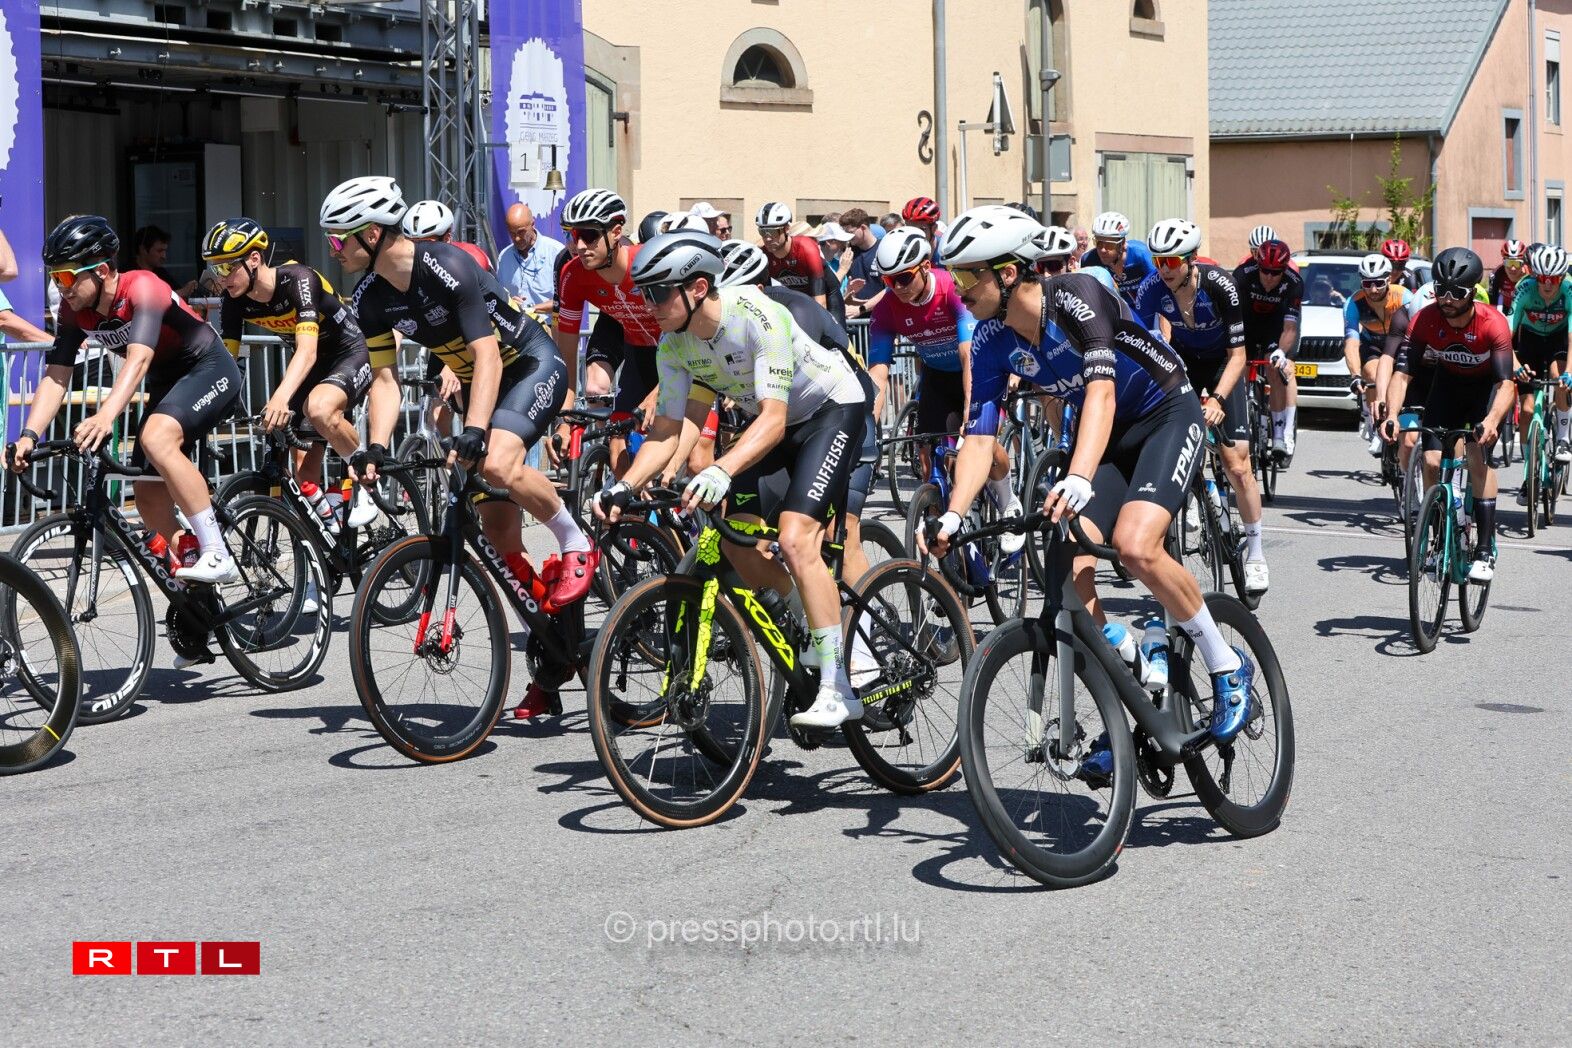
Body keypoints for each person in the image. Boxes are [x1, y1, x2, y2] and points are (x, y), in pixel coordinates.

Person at [928, 204, 1256, 762]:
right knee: (1069, 569)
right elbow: (980, 438)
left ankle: (1227, 664)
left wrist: (1079, 477)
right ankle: (1132, 680)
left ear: (1007, 273)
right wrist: (956, 514)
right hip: (1108, 434)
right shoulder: (989, 340)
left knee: (1134, 545)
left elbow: (1101, 391)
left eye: (967, 277)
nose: (958, 291)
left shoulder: (1076, 295)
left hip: (1165, 411)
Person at [596, 231, 870, 729]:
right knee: (737, 541)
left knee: (796, 538)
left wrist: (722, 468)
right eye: (643, 293)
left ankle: (839, 688)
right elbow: (668, 429)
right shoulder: (675, 344)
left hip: (830, 409)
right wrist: (625, 486)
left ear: (697, 288)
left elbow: (772, 418)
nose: (648, 305)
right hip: (777, 426)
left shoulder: (755, 315)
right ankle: (812, 624)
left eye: (657, 293)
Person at [321, 176, 594, 638]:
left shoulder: (446, 264)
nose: (333, 251)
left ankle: (575, 540)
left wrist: (475, 429)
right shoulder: (369, 297)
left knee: (498, 463)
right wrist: (376, 446)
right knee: (497, 529)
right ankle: (551, 636)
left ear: (372, 234)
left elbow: (487, 355)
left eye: (338, 240)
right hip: (481, 383)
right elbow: (385, 380)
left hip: (528, 363)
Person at [14, 215, 243, 585]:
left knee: (156, 438)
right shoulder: (73, 310)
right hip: (168, 382)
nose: (61, 288)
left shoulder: (143, 287)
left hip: (209, 369)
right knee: (148, 494)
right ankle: (194, 581)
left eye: (67, 277)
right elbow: (56, 375)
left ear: (102, 270)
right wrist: (29, 435)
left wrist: (105, 416)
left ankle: (217, 552)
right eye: (54, 278)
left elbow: (139, 359)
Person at [201, 217, 378, 534]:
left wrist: (280, 397)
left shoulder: (298, 279)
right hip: (311, 369)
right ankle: (331, 537)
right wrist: (208, 406)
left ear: (254, 259)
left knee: (319, 408)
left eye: (227, 267)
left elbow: (307, 350)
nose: (221, 278)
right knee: (302, 473)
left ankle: (365, 479)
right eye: (215, 269)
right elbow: (227, 361)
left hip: (347, 353)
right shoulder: (233, 301)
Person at [1135, 218, 1270, 595]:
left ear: (1191, 259)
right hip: (1183, 362)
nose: (1163, 270)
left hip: (1223, 363)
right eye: (1158, 261)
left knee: (1237, 464)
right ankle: (1198, 489)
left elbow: (1238, 356)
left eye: (1171, 262)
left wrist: (1219, 399)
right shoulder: (1151, 288)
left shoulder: (1220, 285)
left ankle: (1256, 553)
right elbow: (1139, 342)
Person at [1381, 247, 1513, 582]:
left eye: (1457, 292)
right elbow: (1402, 374)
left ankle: (1484, 549)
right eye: (1441, 290)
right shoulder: (1425, 319)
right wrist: (1391, 414)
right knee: (1431, 461)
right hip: (1448, 386)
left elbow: (1506, 384)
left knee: (1476, 456)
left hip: (1484, 391)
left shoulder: (1493, 324)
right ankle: (1439, 537)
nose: (1448, 299)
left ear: (1473, 293)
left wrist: (1492, 422)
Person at [554, 188, 667, 474]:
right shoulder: (572, 275)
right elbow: (567, 356)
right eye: (573, 235)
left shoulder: (650, 264)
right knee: (618, 452)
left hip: (680, 358)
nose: (579, 245)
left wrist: (659, 392)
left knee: (696, 457)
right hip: (639, 355)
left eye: (589, 235)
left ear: (616, 232)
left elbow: (687, 337)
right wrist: (565, 419)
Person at [1234, 238, 1304, 457]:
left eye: (1276, 272)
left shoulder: (1294, 283)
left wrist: (1281, 352)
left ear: (1284, 270)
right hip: (1246, 326)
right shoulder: (1242, 275)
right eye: (1265, 271)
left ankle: (1280, 435)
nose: (1269, 277)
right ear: (1258, 265)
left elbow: (1290, 327)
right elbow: (1229, 317)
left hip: (1275, 329)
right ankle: (1241, 424)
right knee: (1238, 371)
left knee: (1275, 370)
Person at [1342, 253, 1413, 457]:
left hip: (1399, 343)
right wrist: (1355, 375)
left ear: (1389, 279)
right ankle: (1375, 422)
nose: (1373, 290)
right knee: (1373, 375)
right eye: (1367, 283)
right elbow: (1351, 343)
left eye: (1379, 283)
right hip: (1372, 344)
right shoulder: (1354, 303)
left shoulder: (1404, 297)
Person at [1507, 243, 1572, 464]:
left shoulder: (1569, 290)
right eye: (1542, 277)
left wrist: (1569, 372)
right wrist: (1516, 365)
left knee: (1559, 378)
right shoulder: (1524, 289)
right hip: (1531, 339)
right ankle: (1529, 466)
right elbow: (1505, 335)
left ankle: (1563, 439)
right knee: (1526, 409)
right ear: (1535, 275)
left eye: (1553, 278)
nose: (1547, 283)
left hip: (1558, 338)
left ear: (1562, 277)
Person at [755, 202, 827, 310]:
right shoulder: (763, 255)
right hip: (797, 300)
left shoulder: (806, 247)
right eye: (763, 232)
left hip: (825, 295)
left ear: (787, 229)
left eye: (773, 232)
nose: (768, 238)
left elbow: (820, 303)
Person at [1079, 210, 1156, 310]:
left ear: (1122, 243)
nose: (1103, 250)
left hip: (1145, 308)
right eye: (1098, 243)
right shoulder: (1089, 260)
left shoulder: (1141, 254)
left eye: (1109, 245)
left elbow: (1158, 289)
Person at [495, 202, 564, 314]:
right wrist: (510, 303)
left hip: (549, 323)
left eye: (521, 232)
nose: (517, 238)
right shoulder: (504, 257)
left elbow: (567, 300)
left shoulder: (556, 253)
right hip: (516, 323)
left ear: (533, 224)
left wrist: (532, 309)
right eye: (512, 233)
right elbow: (500, 297)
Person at [400, 200, 492, 272]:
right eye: (411, 244)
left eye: (426, 244)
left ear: (447, 238)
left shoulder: (473, 259)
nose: (416, 251)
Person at [127, 224, 200, 297]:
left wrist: (188, 289)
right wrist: (181, 292)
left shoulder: (160, 272)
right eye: (159, 251)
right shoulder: (127, 274)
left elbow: (176, 289)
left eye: (165, 251)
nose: (164, 256)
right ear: (143, 249)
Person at [840, 208, 885, 318]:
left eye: (850, 232)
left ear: (863, 228)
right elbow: (846, 295)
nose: (847, 237)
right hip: (856, 319)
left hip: (881, 316)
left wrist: (863, 307)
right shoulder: (848, 253)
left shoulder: (884, 249)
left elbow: (890, 289)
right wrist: (849, 293)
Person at [1490, 239, 1530, 313]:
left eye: (1517, 263)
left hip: (1525, 309)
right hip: (1506, 308)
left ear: (1523, 264)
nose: (1513, 268)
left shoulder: (1529, 275)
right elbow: (1492, 301)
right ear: (1503, 263)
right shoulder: (1497, 274)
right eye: (1509, 263)